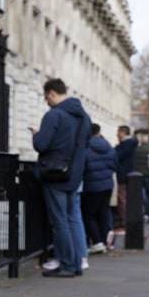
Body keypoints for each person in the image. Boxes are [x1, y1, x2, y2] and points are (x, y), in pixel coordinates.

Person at [32, 78, 92, 277]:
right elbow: (85, 143)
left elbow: (41, 144)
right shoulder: (84, 117)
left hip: (54, 174)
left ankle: (67, 264)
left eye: (46, 97)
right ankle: (76, 262)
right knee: (72, 219)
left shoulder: (54, 115)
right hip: (74, 175)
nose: (46, 101)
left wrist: (36, 135)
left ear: (52, 93)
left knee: (60, 221)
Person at [81, 123, 117, 254]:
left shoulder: (85, 146)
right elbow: (115, 164)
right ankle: (107, 240)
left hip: (92, 185)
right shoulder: (108, 146)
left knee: (88, 215)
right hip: (107, 184)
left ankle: (97, 241)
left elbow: (82, 166)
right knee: (104, 213)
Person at [114, 125, 138, 234]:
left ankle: (124, 224)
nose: (117, 135)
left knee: (122, 200)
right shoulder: (129, 144)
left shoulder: (126, 145)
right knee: (125, 200)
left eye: (118, 132)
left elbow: (117, 156)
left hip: (123, 175)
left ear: (123, 133)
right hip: (128, 175)